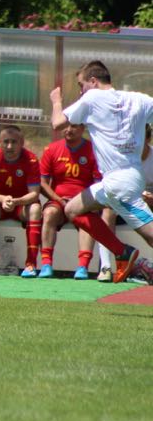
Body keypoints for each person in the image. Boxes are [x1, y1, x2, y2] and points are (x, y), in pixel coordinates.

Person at [50, 60, 153, 284]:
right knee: (72, 209)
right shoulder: (139, 99)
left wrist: (56, 102)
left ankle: (124, 254)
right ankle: (123, 253)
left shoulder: (92, 97)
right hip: (121, 180)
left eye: (81, 85)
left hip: (120, 185)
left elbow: (57, 123)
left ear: (93, 82)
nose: (80, 91)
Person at [0, 125, 42, 277]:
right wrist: (3, 199)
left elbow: (34, 194)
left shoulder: (31, 159)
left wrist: (16, 202)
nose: (9, 146)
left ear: (22, 142)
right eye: (6, 142)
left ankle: (31, 264)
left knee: (36, 209)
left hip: (20, 206)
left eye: (14, 142)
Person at [37, 123, 101, 279]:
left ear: (82, 128)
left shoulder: (94, 150)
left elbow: (98, 183)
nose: (69, 130)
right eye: (65, 126)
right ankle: (46, 264)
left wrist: (82, 201)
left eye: (73, 126)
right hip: (59, 201)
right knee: (49, 213)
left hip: (83, 203)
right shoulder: (51, 149)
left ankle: (83, 267)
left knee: (88, 220)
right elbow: (42, 182)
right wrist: (58, 199)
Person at [96, 125, 153, 281]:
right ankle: (105, 267)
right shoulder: (121, 158)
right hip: (124, 206)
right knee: (108, 211)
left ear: (148, 139)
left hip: (147, 209)